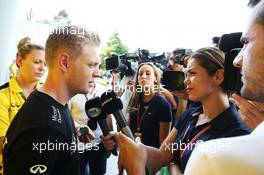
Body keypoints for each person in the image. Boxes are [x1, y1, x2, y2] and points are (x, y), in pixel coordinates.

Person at [117, 47, 252, 175]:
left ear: (218, 77)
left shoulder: (238, 133)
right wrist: (135, 148)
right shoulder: (190, 115)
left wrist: (172, 166)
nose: (186, 81)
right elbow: (162, 156)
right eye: (185, 74)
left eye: (192, 73)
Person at [3, 26, 100, 175]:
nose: (98, 73)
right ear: (65, 62)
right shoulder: (45, 126)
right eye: (91, 65)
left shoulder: (55, 104)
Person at [184, 2, 264, 174]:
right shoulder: (190, 115)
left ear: (218, 76)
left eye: (246, 42)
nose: (236, 61)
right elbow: (166, 155)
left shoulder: (213, 159)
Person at [0, 37, 46, 173]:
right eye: (37, 62)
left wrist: (77, 128)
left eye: (45, 63)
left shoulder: (48, 94)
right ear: (20, 61)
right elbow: (2, 142)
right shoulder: (3, 95)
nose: (42, 68)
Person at [68, 81, 113, 175]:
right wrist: (79, 128)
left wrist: (110, 138)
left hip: (100, 144)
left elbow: (108, 115)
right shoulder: (72, 92)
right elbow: (67, 117)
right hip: (79, 146)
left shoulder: (102, 90)